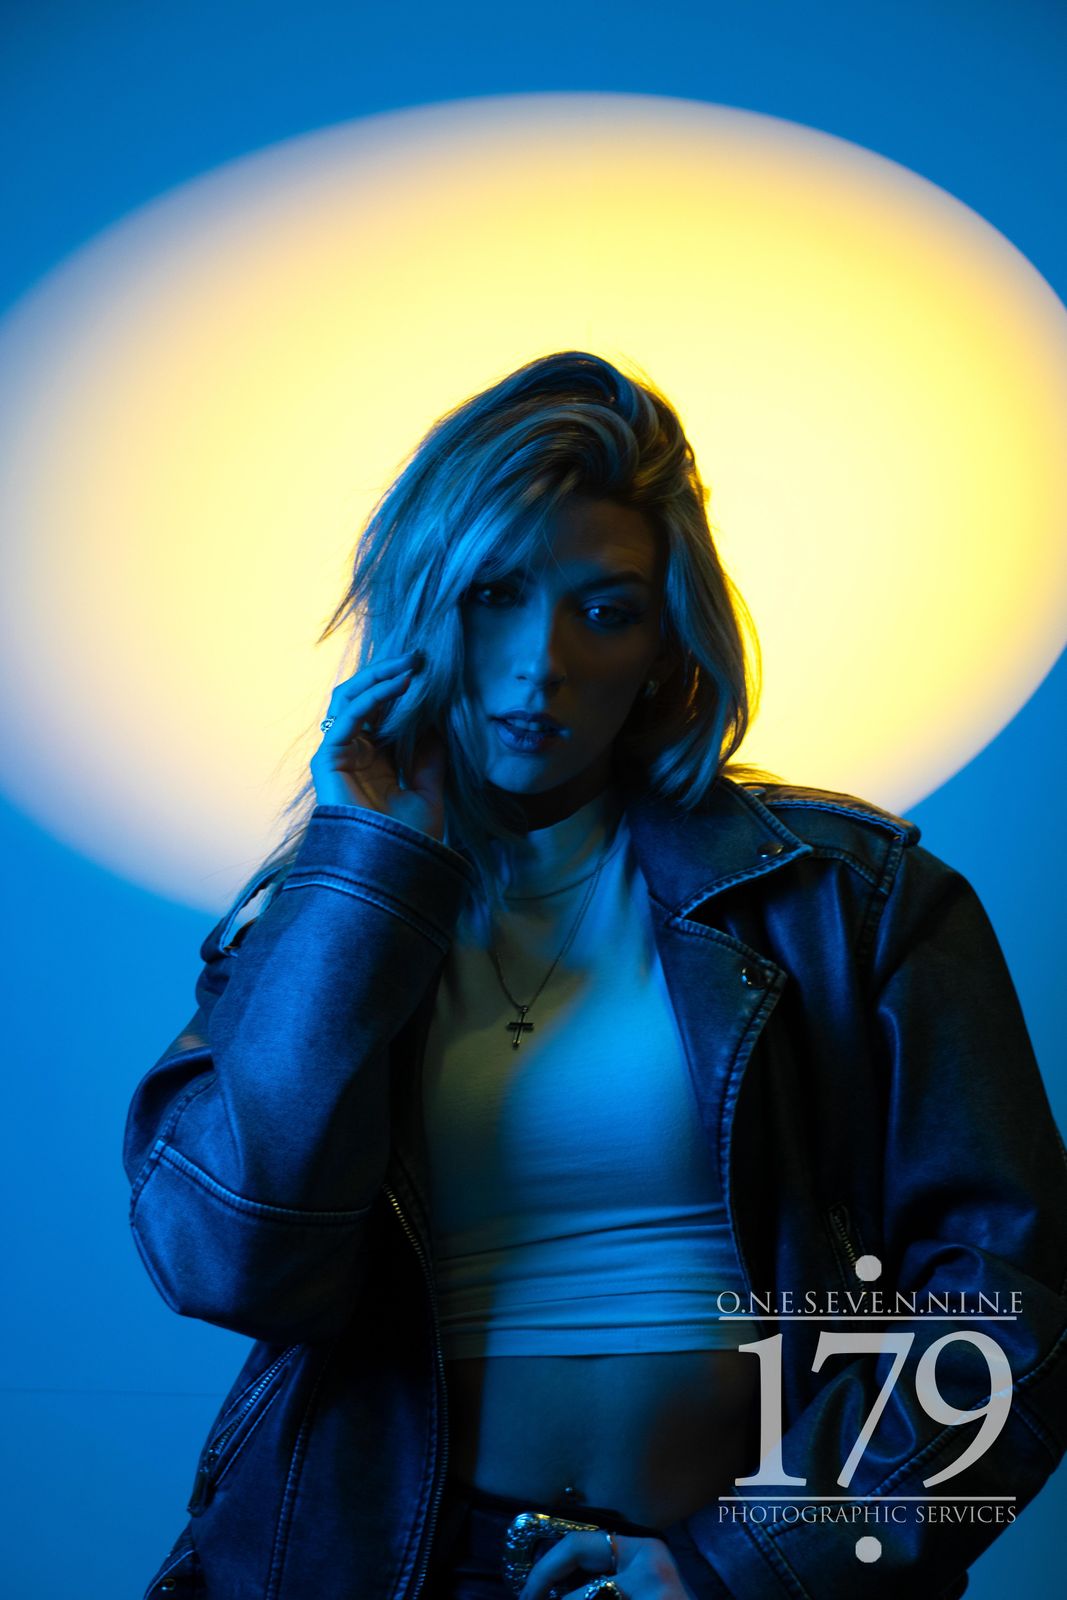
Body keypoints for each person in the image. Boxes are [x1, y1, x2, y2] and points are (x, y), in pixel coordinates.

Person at [124, 351, 1067, 1600]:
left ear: (666, 638)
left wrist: (747, 1564)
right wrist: (366, 871)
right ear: (422, 612)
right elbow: (226, 1262)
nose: (540, 664)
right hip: (375, 1569)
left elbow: (1013, 1303)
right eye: (494, 595)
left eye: (605, 610)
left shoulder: (844, 897)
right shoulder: (322, 919)